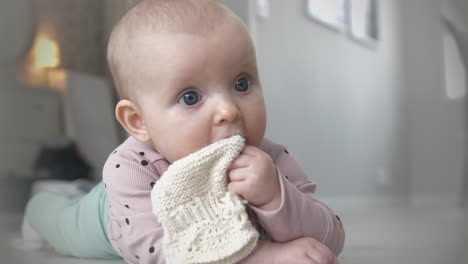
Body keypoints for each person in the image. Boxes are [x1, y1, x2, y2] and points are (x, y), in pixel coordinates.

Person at [24, 0, 345, 263]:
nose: (229, 110)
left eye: (241, 83)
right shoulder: (131, 166)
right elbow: (160, 252)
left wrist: (276, 196)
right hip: (108, 219)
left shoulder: (270, 160)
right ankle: (40, 203)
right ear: (138, 122)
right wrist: (265, 257)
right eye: (190, 97)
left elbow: (331, 236)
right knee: (59, 223)